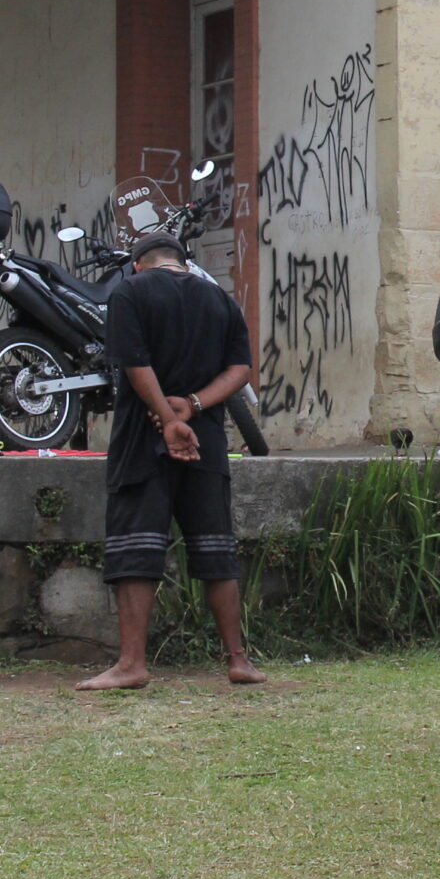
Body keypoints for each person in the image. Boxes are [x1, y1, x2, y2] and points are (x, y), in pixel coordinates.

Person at [76, 229, 263, 692]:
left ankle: (132, 664)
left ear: (139, 263)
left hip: (144, 437)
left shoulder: (130, 292)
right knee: (215, 548)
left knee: (135, 548)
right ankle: (238, 660)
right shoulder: (220, 299)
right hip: (205, 441)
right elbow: (240, 369)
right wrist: (193, 408)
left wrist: (165, 416)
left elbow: (134, 363)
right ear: (182, 261)